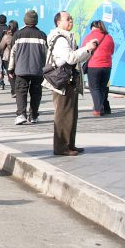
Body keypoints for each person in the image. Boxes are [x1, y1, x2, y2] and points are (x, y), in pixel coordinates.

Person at [46, 11, 97, 157]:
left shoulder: (67, 37)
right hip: (62, 81)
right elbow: (70, 58)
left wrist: (88, 51)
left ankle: (69, 144)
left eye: (71, 19)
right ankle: (62, 147)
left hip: (68, 80)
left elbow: (76, 58)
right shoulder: (61, 39)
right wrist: (87, 48)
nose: (71, 21)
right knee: (63, 114)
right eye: (67, 19)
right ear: (58, 22)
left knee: (71, 113)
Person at [8, 10, 47, 125]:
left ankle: (21, 115)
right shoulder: (42, 35)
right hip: (38, 69)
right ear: (36, 21)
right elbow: (47, 53)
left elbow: (12, 54)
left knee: (21, 92)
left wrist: (10, 68)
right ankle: (34, 116)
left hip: (21, 69)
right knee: (36, 93)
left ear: (25, 20)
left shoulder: (18, 35)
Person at [82, 20, 115, 116]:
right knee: (102, 88)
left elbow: (84, 51)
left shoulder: (89, 37)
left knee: (94, 88)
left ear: (92, 27)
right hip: (107, 66)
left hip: (93, 66)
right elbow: (112, 51)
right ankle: (102, 107)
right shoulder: (109, 37)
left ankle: (98, 109)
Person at [0, 14, 9, 88]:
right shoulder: (9, 29)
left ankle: (1, 83)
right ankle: (12, 82)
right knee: (8, 67)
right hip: (8, 52)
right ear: (6, 20)